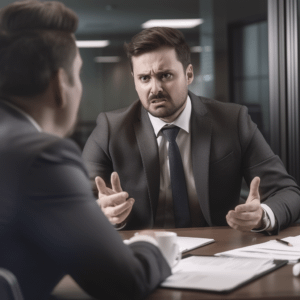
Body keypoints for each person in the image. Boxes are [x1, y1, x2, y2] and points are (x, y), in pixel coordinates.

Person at [0, 2, 171, 300]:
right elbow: (125, 283)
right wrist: (152, 245)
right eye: (78, 74)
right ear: (60, 84)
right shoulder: (43, 155)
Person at [82, 26, 300, 233]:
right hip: (143, 254)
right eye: (144, 78)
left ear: (188, 75)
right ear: (135, 81)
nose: (154, 88)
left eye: (165, 75)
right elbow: (77, 203)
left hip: (217, 252)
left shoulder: (233, 121)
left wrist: (262, 215)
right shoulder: (110, 129)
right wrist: (104, 213)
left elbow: (288, 192)